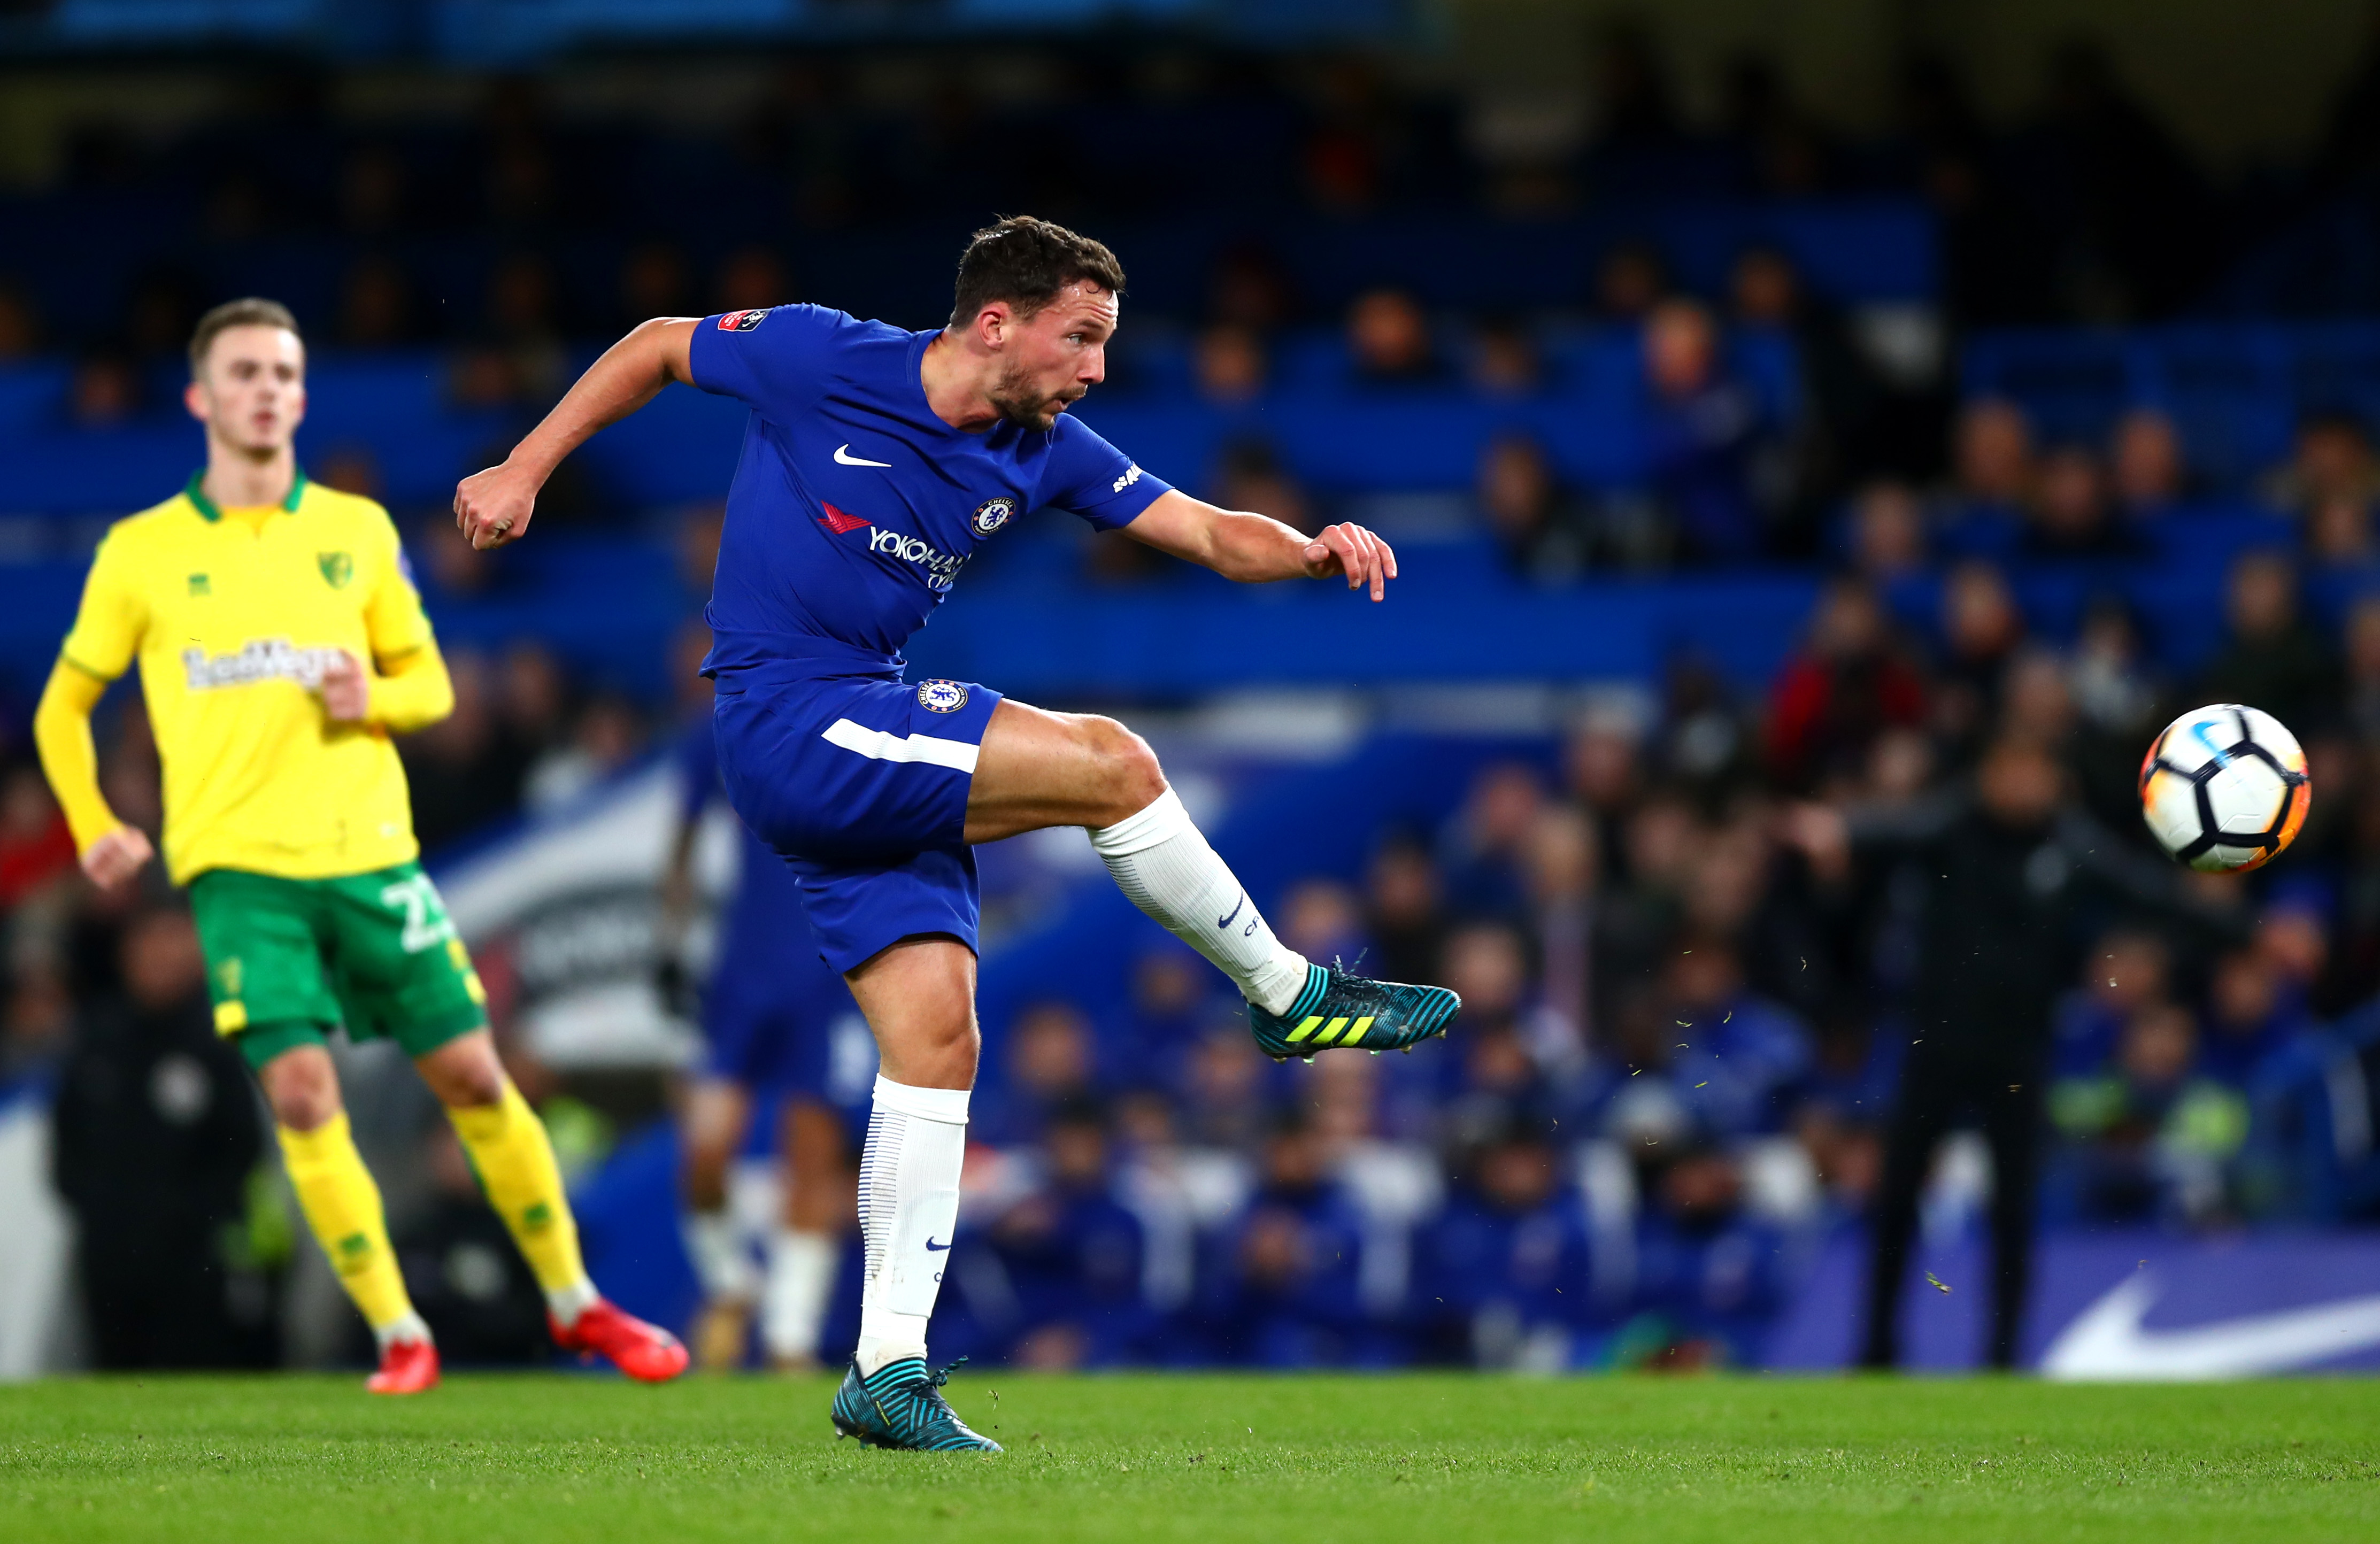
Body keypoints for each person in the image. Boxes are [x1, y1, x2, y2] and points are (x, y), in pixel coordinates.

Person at [454, 217, 1461, 1450]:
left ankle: (884, 1368)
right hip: (790, 714)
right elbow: (660, 344)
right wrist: (524, 468)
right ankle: (1287, 993)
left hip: (858, 724)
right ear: (996, 322)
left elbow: (1201, 529)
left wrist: (1306, 551)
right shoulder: (821, 355)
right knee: (1113, 764)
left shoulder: (1043, 447)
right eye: (1078, 337)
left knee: (936, 1038)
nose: (1094, 368)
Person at [34, 298, 686, 1396]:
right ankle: (396, 1327)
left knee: (474, 1074)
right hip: (239, 868)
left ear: (300, 395)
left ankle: (576, 1301)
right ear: (199, 396)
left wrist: (369, 695)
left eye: (281, 374)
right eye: (242, 372)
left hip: (369, 855)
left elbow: (430, 686)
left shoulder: (357, 533)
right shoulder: (143, 551)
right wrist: (95, 823)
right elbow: (63, 706)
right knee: (299, 1092)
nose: (264, 391)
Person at [1782, 736, 2240, 1369]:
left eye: (2036, 772)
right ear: (1989, 773)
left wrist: (2246, 930)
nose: (2023, 786)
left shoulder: (2068, 844)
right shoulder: (1952, 826)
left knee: (2013, 1208)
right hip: (1935, 1048)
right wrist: (1839, 828)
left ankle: (2002, 1355)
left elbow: (2147, 891)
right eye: (2012, 770)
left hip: (2018, 1056)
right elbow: (1891, 828)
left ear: (2054, 779)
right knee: (1895, 1198)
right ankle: (1876, 1348)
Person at [662, 716, 870, 1372]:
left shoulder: (854, 725)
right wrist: (670, 942)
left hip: (829, 979)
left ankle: (789, 1340)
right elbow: (682, 844)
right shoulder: (720, 733)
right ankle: (731, 1283)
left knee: (812, 1162)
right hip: (743, 978)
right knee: (704, 1153)